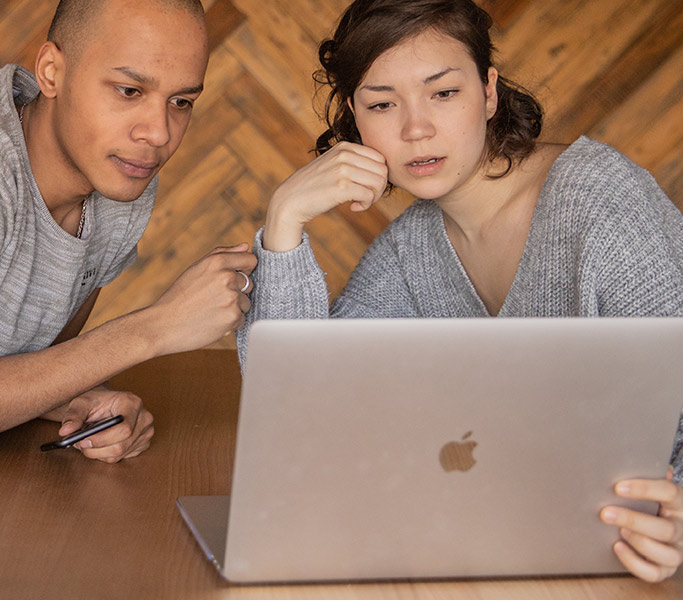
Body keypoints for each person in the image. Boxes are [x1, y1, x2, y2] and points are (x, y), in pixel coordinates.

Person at [235, 0, 683, 582]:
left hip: (633, 563)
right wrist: (285, 222)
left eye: (443, 93)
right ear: (355, 119)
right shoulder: (410, 250)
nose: (415, 128)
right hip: (514, 552)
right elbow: (297, 411)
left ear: (489, 93)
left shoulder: (604, 205)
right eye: (381, 104)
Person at [0, 0, 256, 462]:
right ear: (52, 72)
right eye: (129, 90)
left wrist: (82, 403)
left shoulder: (118, 176)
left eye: (181, 102)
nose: (159, 133)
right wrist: (154, 329)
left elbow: (42, 363)